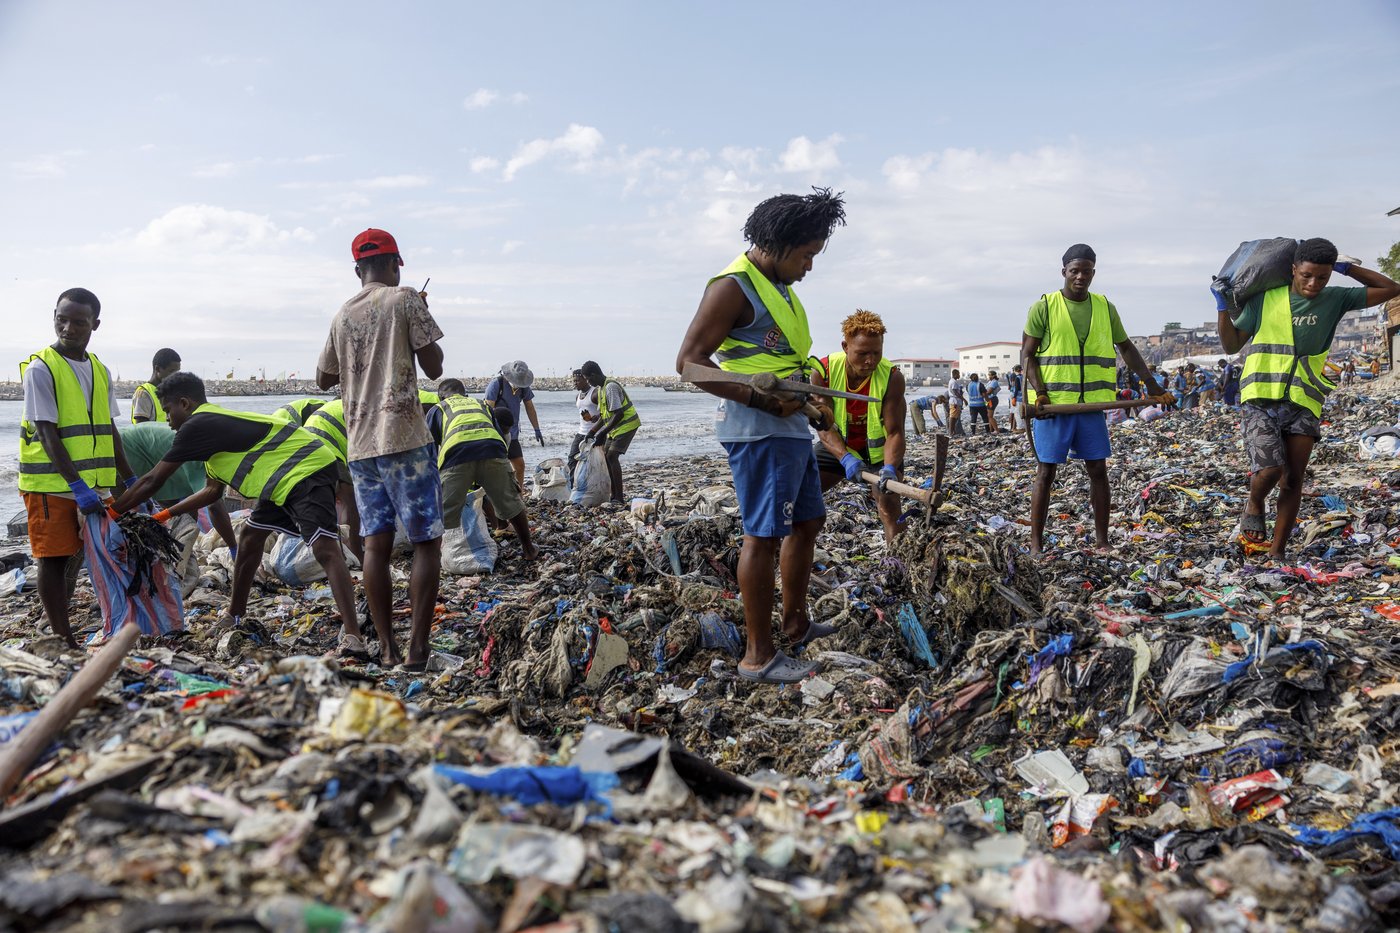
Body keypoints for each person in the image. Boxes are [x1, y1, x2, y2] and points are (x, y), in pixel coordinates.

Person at [675, 186, 846, 684]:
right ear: (777, 243)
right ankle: (758, 656)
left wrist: (810, 406)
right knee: (763, 537)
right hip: (758, 433)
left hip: (791, 430)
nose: (810, 266)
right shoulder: (732, 287)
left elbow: (779, 364)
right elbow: (689, 364)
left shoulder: (782, 291)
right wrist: (760, 398)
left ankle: (795, 622)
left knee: (808, 522)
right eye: (807, 255)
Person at [110, 373, 376, 658]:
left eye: (168, 411)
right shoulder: (212, 433)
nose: (167, 420)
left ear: (184, 403)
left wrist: (113, 512)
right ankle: (234, 614)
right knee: (250, 537)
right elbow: (212, 492)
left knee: (325, 549)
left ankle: (353, 637)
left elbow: (152, 480)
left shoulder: (198, 424)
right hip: (280, 480)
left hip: (305, 469)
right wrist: (162, 516)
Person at [1217, 238, 1400, 558]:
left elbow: (1391, 288)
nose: (1314, 284)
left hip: (1304, 399)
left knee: (1292, 479)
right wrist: (1222, 308)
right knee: (1270, 470)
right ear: (1292, 270)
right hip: (1259, 397)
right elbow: (1232, 346)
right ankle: (1255, 501)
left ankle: (1277, 551)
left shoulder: (1336, 298)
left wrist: (1349, 268)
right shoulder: (1265, 299)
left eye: (1323, 277)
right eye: (1306, 276)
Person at [317, 227, 445, 671]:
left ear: (357, 270)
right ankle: (418, 651)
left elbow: (323, 379)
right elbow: (434, 368)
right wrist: (418, 319)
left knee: (376, 546)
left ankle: (387, 648)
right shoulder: (406, 298)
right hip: (406, 437)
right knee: (428, 542)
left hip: (361, 445)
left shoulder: (341, 315)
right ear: (394, 265)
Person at [1021, 244, 1170, 557]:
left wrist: (1152, 385)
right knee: (1046, 473)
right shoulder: (1045, 307)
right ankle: (1036, 544)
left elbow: (1126, 348)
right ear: (1064, 272)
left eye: (1086, 271)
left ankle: (1102, 540)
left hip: (1092, 407)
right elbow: (1027, 355)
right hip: (1054, 408)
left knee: (1098, 470)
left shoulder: (1104, 307)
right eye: (1074, 271)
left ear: (1093, 273)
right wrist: (1041, 392)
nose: (1080, 277)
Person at [19, 288, 137, 648]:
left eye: (78, 322)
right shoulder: (42, 368)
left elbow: (109, 428)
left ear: (95, 325)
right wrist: (76, 486)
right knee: (52, 560)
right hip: (51, 485)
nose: (68, 328)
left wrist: (128, 477)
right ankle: (61, 636)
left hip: (94, 484)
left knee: (88, 556)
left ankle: (105, 623)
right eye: (61, 319)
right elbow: (46, 431)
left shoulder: (99, 370)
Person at [812, 310, 907, 543]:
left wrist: (890, 469)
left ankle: (898, 562)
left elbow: (895, 432)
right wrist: (845, 457)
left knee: (889, 508)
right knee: (802, 494)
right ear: (845, 346)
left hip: (879, 454)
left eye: (876, 353)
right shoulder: (823, 372)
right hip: (837, 447)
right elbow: (824, 426)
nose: (870, 361)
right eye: (862, 353)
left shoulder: (891, 377)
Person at [119, 420, 238, 595]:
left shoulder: (218, 451)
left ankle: (176, 578)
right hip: (126, 456)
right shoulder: (206, 454)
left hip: (162, 468)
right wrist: (234, 547)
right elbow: (214, 505)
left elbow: (205, 501)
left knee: (185, 526)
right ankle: (133, 582)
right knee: (125, 526)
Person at [434, 379, 539, 560]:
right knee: (511, 502)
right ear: (465, 394)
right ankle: (529, 549)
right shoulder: (482, 404)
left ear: (440, 397)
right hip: (492, 449)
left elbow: (433, 445)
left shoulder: (439, 408)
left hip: (456, 454)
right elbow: (498, 432)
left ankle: (433, 557)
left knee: (442, 512)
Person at [301, 398, 363, 563]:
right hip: (324, 449)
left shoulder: (339, 406)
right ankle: (356, 555)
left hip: (305, 449)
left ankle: (340, 549)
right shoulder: (360, 406)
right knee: (349, 502)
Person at [580, 360, 641, 505]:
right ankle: (614, 495)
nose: (588, 382)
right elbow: (604, 415)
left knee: (612, 456)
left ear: (594, 375)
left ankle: (619, 497)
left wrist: (602, 433)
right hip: (615, 428)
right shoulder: (601, 389)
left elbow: (618, 414)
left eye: (588, 379)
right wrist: (593, 431)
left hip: (627, 425)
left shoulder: (610, 387)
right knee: (606, 457)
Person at [485, 361, 542, 493]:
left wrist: (536, 428)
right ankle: (493, 496)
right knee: (495, 468)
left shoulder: (523, 387)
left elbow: (530, 407)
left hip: (513, 433)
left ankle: (518, 494)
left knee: (519, 465)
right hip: (496, 434)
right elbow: (487, 410)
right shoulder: (496, 385)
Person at [132, 348, 181, 423]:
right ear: (158, 369)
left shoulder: (170, 392)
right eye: (172, 371)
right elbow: (141, 429)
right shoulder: (144, 393)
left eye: (177, 372)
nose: (176, 376)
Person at [568, 370, 598, 486]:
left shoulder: (594, 393)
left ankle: (593, 485)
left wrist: (598, 416)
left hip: (595, 432)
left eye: (577, 380)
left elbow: (605, 411)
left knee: (593, 462)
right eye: (573, 381)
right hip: (581, 432)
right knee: (572, 458)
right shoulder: (578, 396)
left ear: (585, 379)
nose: (575, 383)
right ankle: (573, 486)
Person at [947, 368, 967, 436]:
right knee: (952, 417)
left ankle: (953, 431)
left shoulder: (953, 381)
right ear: (955, 374)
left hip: (956, 401)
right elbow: (955, 393)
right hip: (954, 402)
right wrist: (964, 399)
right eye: (958, 374)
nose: (959, 375)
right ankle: (950, 432)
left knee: (955, 417)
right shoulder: (953, 382)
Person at [1006, 364, 1024, 431]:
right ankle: (1023, 427)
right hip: (1023, 397)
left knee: (1017, 413)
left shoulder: (1017, 378)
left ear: (1015, 370)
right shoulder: (1023, 377)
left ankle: (1020, 428)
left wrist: (1014, 397)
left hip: (1018, 398)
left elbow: (1016, 389)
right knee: (1022, 412)